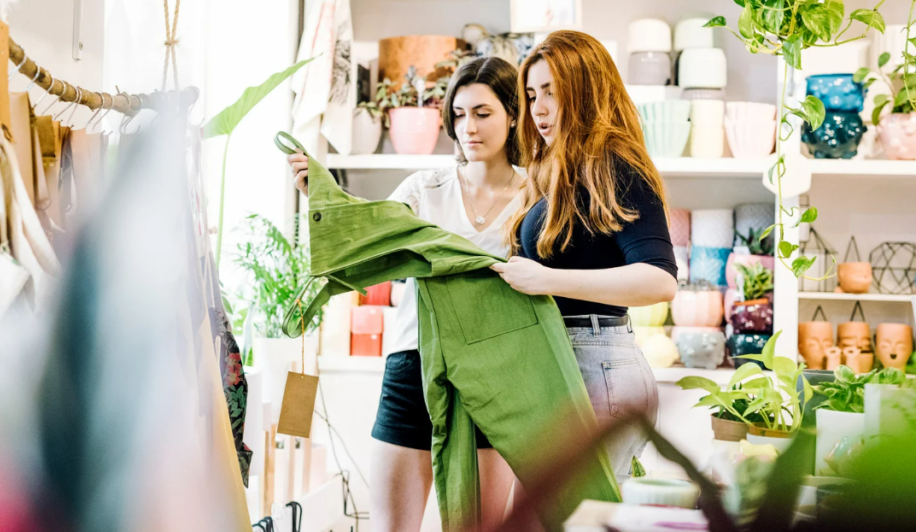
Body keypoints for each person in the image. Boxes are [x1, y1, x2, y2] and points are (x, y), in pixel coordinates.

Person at [287, 57, 525, 532]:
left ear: (513, 115)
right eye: (458, 115)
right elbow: (368, 235)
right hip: (413, 365)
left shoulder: (536, 198)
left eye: (483, 113)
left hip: (493, 375)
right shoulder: (425, 188)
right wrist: (325, 197)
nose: (468, 128)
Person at [491, 30, 679, 480]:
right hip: (571, 361)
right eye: (532, 94)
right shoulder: (561, 172)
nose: (538, 109)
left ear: (586, 88)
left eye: (552, 92)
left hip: (597, 365)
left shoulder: (614, 164)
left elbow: (660, 280)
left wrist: (548, 280)